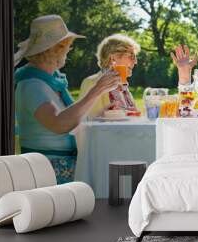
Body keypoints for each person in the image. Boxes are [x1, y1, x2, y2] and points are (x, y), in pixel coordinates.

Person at [14, 15, 120, 184]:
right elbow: (60, 124)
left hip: (60, 166)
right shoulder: (32, 84)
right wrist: (96, 90)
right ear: (55, 49)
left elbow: (71, 121)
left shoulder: (51, 81)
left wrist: (100, 114)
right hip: (46, 169)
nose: (68, 51)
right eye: (67, 47)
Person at [79, 34, 141, 119]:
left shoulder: (122, 85)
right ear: (113, 58)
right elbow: (89, 123)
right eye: (132, 56)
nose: (136, 62)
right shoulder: (92, 83)